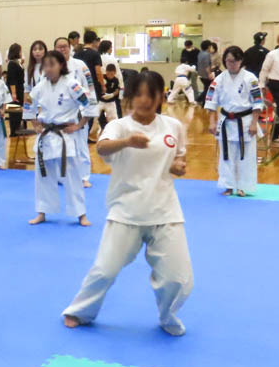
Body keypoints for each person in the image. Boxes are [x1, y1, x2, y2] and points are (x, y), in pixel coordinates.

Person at [62, 69, 192, 336]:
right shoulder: (119, 126)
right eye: (139, 94)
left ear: (160, 97)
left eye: (151, 94)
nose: (144, 100)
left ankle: (168, 316)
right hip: (126, 210)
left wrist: (179, 166)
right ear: (130, 97)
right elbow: (102, 147)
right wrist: (127, 142)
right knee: (105, 270)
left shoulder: (173, 127)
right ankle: (80, 310)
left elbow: (179, 157)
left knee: (178, 279)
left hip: (164, 210)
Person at [29, 49, 91, 227]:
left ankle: (81, 214)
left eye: (51, 65)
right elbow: (28, 103)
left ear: (61, 65)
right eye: (45, 66)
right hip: (47, 135)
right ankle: (42, 212)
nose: (47, 69)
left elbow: (90, 104)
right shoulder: (41, 85)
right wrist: (35, 123)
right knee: (43, 175)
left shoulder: (72, 84)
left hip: (65, 136)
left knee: (72, 176)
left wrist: (79, 125)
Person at [205, 45, 263, 196]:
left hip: (245, 120)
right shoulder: (219, 79)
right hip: (225, 121)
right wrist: (211, 121)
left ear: (241, 60)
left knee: (246, 155)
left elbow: (257, 102)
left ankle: (244, 186)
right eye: (229, 61)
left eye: (235, 61)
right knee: (226, 155)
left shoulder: (251, 78)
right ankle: (228, 185)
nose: (231, 64)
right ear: (225, 61)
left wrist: (254, 123)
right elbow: (211, 101)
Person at [54, 37, 98, 188]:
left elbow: (90, 88)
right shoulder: (50, 67)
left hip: (79, 112)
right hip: (59, 114)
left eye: (65, 46)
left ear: (70, 47)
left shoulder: (80, 65)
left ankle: (84, 177)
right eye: (59, 47)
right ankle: (61, 176)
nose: (62, 49)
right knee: (59, 146)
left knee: (81, 146)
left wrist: (89, 110)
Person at [4, 43, 26, 135]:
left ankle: (17, 129)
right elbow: (12, 80)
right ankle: (14, 131)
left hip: (20, 89)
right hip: (15, 90)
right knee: (14, 111)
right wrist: (13, 93)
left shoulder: (17, 63)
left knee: (18, 111)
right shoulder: (12, 63)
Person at [195, 40, 214, 105]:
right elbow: (207, 65)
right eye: (210, 46)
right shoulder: (207, 54)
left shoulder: (200, 53)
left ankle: (201, 100)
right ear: (208, 47)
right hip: (206, 75)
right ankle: (204, 102)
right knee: (210, 88)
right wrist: (209, 74)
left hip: (200, 74)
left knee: (207, 88)